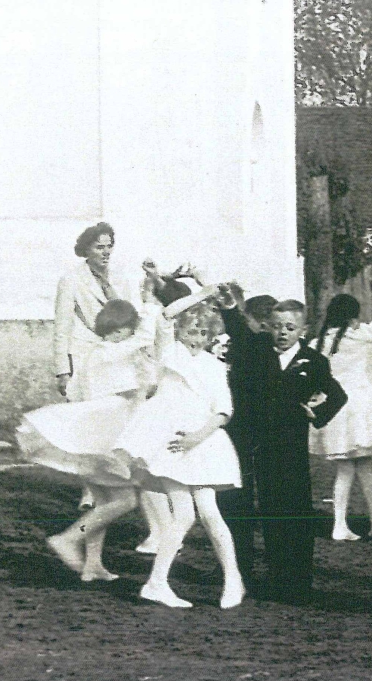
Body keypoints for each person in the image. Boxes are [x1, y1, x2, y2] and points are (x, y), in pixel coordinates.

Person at [113, 296, 246, 609]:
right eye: (191, 331)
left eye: (203, 333)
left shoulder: (215, 367)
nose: (196, 339)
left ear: (211, 336)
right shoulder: (169, 353)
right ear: (180, 331)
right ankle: (156, 583)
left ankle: (233, 579)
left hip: (201, 444)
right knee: (182, 515)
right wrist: (206, 290)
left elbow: (223, 410)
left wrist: (197, 438)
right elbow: (166, 313)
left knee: (209, 512)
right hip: (171, 445)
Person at [17, 298, 161, 582]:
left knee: (104, 501)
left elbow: (78, 393)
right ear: (120, 331)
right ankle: (69, 538)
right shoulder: (114, 351)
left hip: (92, 436)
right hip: (106, 434)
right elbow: (146, 334)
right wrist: (150, 301)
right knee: (126, 500)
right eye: (129, 330)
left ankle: (93, 564)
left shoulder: (93, 355)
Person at [251, 299, 348, 601]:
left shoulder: (314, 361)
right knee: (269, 509)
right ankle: (276, 575)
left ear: (303, 330)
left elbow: (338, 395)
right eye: (277, 327)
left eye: (290, 328)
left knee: (295, 509)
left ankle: (299, 578)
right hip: (263, 445)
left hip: (293, 446)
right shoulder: (260, 356)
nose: (282, 333)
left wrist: (315, 414)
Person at [309, 284, 372, 541]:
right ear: (353, 317)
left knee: (348, 468)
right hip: (363, 409)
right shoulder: (360, 335)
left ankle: (350, 524)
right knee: (363, 468)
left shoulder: (319, 342)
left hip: (335, 409)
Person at [53, 222, 132, 512]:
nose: (106, 252)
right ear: (86, 249)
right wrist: (63, 369)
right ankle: (89, 490)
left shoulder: (121, 279)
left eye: (109, 245)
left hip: (118, 358)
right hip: (87, 359)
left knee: (115, 423)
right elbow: (61, 327)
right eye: (100, 246)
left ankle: (115, 483)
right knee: (89, 424)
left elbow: (132, 316)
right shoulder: (71, 280)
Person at [214, 284, 279, 585]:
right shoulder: (260, 344)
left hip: (247, 430)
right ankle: (242, 562)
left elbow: (240, 334)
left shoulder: (261, 344)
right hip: (247, 429)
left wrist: (229, 311)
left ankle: (242, 563)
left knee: (239, 499)